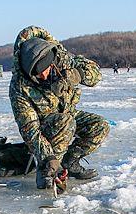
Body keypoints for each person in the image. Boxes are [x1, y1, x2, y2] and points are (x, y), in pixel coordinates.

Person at [9, 26, 109, 190]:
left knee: (99, 126)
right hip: (45, 127)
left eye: (46, 69)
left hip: (68, 114)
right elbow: (30, 129)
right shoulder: (19, 87)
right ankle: (46, 169)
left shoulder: (64, 60)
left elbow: (95, 73)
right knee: (65, 122)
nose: (43, 75)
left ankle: (70, 161)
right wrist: (48, 158)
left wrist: (76, 75)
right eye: (37, 72)